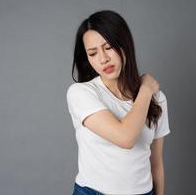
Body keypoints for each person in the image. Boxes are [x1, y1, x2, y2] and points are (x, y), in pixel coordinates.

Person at [66, 10, 171, 195]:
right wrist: (146, 89)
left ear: (124, 45)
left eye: (108, 47)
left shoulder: (157, 99)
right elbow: (125, 137)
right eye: (92, 53)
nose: (103, 59)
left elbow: (156, 164)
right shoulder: (81, 93)